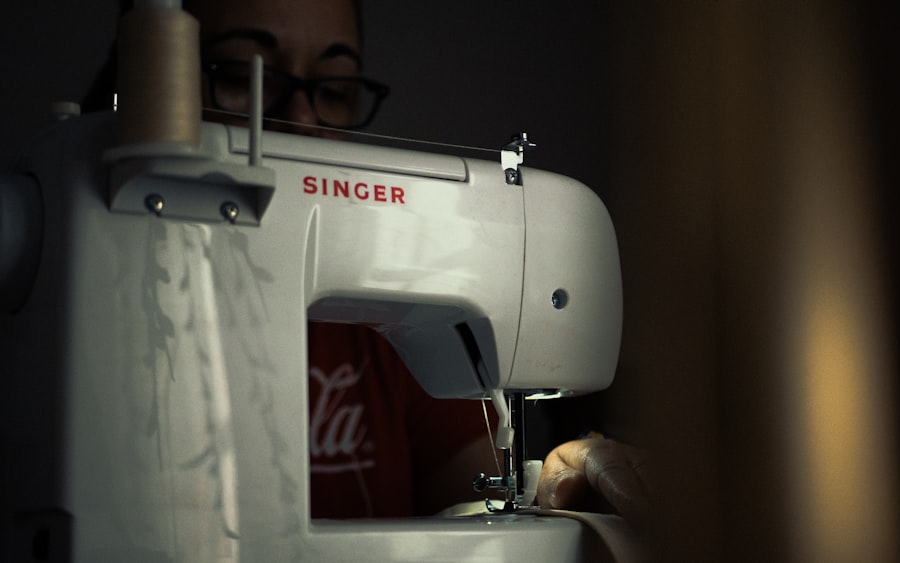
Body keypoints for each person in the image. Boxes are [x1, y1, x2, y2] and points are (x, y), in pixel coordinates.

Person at [88, 0, 653, 524]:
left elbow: (478, 496)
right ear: (151, 76)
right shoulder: (84, 314)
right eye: (242, 75)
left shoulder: (393, 316)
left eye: (334, 88)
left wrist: (552, 485)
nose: (304, 118)